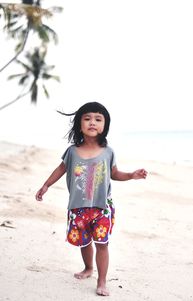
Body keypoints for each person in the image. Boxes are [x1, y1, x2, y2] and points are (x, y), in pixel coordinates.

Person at [35, 101, 147, 296]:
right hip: (78, 207)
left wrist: (131, 175)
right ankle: (88, 268)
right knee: (84, 242)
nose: (92, 122)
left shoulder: (108, 151)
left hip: (102, 207)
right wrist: (46, 185)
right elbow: (61, 169)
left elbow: (114, 174)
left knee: (102, 243)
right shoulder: (71, 151)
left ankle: (102, 281)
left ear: (105, 125)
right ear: (80, 124)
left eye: (98, 119)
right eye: (87, 119)